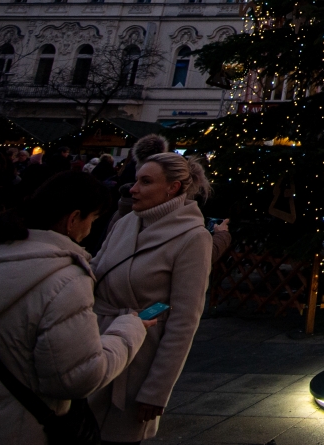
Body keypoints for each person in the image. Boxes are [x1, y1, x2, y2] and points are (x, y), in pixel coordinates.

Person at [0, 171, 150, 444]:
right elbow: (78, 378)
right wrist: (129, 329)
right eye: (91, 219)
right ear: (73, 219)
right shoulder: (64, 280)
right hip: (13, 431)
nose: (90, 229)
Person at [90, 152, 215, 442]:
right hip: (94, 345)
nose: (133, 189)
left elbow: (184, 319)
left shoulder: (193, 237)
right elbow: (96, 269)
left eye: (146, 182)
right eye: (136, 180)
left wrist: (157, 390)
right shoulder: (125, 222)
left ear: (172, 188)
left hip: (138, 359)